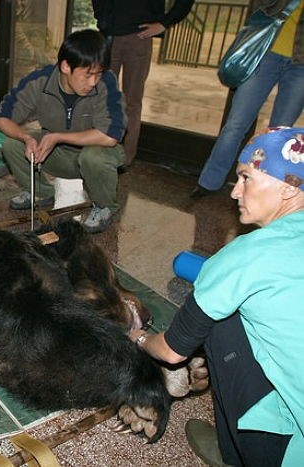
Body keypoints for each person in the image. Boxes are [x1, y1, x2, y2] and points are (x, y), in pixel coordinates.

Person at [130, 127, 304, 466]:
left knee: (217, 322)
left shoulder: (245, 255)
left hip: (291, 452)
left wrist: (139, 339)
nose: (235, 191)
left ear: (287, 187)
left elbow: (171, 350)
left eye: (246, 178)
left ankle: (235, 451)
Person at [0, 29, 126, 234]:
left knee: (95, 157)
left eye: (97, 74)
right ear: (66, 66)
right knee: (12, 144)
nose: (93, 82)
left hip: (94, 154)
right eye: (87, 75)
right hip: (57, 155)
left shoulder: (106, 82)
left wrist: (57, 137)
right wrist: (26, 137)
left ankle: (104, 206)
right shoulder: (40, 81)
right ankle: (40, 192)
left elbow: (110, 136)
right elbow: (2, 118)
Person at [192, 0, 304, 198]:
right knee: (235, 124)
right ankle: (209, 183)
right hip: (265, 52)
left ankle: (260, 191)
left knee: (280, 133)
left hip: (301, 64)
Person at [92, 0, 195, 167]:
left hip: (139, 37)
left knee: (131, 102)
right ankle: (96, 153)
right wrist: (102, 17)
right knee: (101, 98)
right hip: (108, 36)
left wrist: (164, 23)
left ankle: (124, 160)